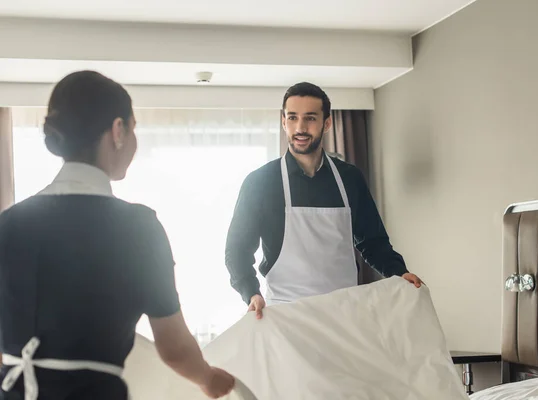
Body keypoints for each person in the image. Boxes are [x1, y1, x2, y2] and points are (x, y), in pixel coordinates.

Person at [0, 71, 234, 400]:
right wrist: (207, 378)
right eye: (133, 127)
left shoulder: (8, 224)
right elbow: (174, 347)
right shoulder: (138, 228)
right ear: (118, 131)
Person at [225, 82, 423, 318]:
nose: (300, 127)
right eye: (293, 118)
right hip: (286, 315)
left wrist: (399, 272)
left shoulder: (349, 178)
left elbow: (372, 242)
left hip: (345, 314)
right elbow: (236, 251)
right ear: (283, 122)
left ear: (326, 123)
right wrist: (251, 292)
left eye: (310, 118)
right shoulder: (260, 182)